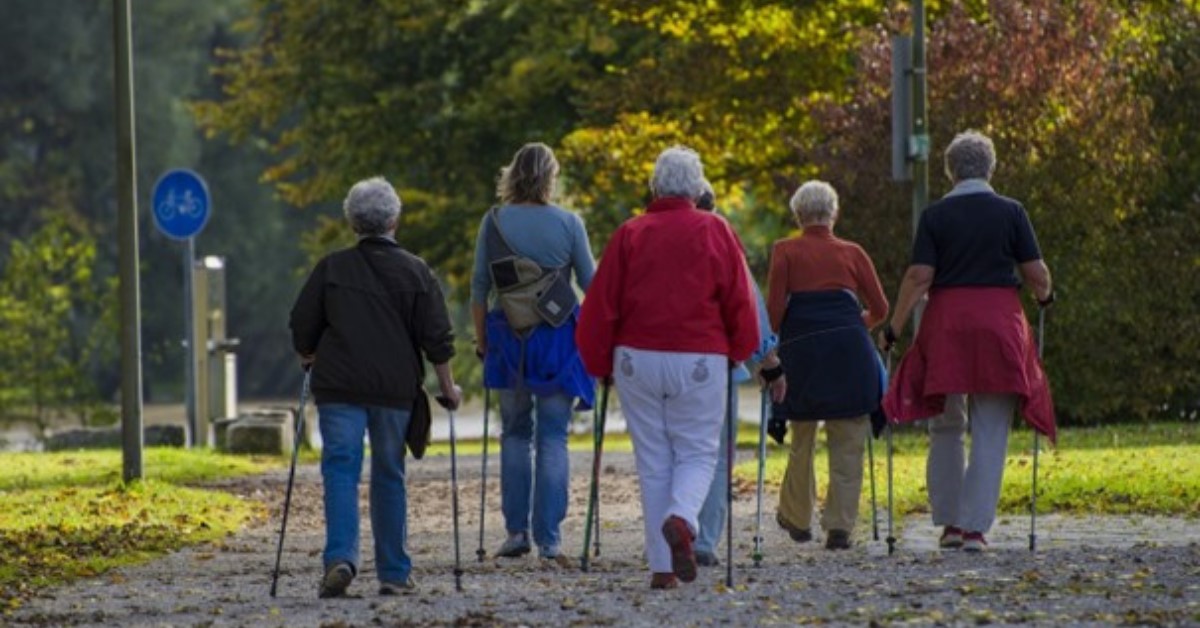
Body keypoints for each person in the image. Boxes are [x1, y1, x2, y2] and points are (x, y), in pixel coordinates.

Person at [576, 146, 760, 590]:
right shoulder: (716, 229)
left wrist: (599, 362)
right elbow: (739, 298)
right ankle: (682, 517)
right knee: (698, 451)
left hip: (637, 357)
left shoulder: (629, 233)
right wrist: (741, 349)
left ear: (655, 187)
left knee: (653, 458)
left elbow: (601, 305)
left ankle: (662, 568)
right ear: (698, 188)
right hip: (699, 355)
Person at [879, 130, 1055, 553]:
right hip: (999, 324)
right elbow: (1036, 274)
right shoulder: (1011, 211)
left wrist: (894, 327)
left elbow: (919, 277)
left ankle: (951, 524)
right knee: (991, 426)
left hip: (947, 324)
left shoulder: (935, 216)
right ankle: (976, 528)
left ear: (950, 170)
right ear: (990, 168)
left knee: (946, 423)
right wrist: (1046, 296)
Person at [290, 176, 461, 598]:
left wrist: (308, 353)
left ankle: (341, 559)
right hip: (393, 390)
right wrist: (449, 388)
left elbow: (301, 322)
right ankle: (394, 572)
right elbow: (437, 337)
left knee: (340, 471)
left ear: (352, 222)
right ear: (394, 221)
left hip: (339, 388)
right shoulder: (417, 271)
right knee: (389, 474)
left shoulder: (331, 268)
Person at [470, 142, 596, 564]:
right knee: (554, 436)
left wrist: (482, 340)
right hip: (559, 337)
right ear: (550, 177)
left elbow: (478, 289)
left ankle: (516, 531)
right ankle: (550, 539)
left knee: (515, 432)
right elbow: (591, 286)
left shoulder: (493, 222)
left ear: (512, 174)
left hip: (509, 336)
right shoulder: (569, 223)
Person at [766, 180, 889, 551]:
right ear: (833, 213)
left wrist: (775, 348)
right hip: (850, 353)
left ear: (799, 215)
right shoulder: (853, 252)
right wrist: (852, 326)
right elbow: (881, 309)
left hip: (802, 354)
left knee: (802, 436)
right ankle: (839, 526)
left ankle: (797, 518)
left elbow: (773, 314)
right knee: (849, 438)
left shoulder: (784, 251)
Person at [692, 182, 784, 567]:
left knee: (670, 452)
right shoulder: (723, 241)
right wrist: (770, 364)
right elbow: (750, 306)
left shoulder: (647, 235)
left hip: (657, 361)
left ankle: (671, 532)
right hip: (717, 362)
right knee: (714, 453)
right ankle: (705, 539)